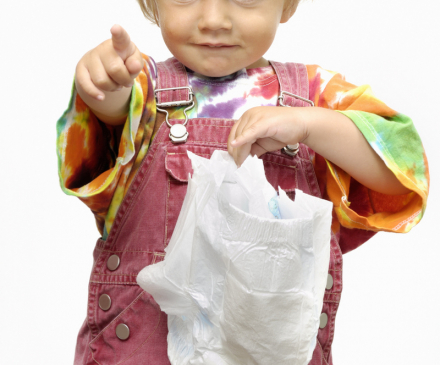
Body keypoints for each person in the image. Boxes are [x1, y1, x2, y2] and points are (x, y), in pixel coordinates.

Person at [56, 0, 429, 363]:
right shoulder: (144, 90)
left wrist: (311, 125)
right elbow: (114, 115)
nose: (214, 19)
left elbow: (400, 174)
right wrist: (106, 85)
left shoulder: (315, 96)